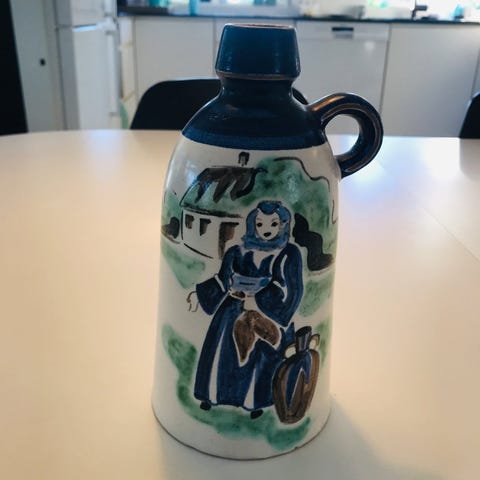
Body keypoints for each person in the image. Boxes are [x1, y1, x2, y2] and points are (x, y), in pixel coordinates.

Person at [189, 200, 303, 419]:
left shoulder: (288, 253)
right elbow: (223, 279)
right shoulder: (237, 250)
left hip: (266, 312)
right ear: (252, 224)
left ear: (283, 225)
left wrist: (258, 300)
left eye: (273, 224)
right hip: (232, 307)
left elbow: (291, 289)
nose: (266, 229)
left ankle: (254, 402)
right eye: (260, 224)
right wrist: (199, 294)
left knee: (259, 354)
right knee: (222, 351)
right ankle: (212, 395)